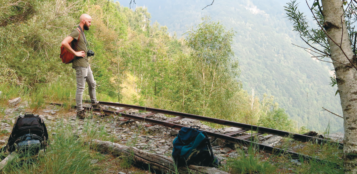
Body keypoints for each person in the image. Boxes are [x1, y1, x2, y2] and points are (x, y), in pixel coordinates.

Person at [61, 14, 101, 119]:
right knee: (81, 88)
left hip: (86, 64)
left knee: (92, 83)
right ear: (83, 21)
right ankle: (80, 111)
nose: (90, 24)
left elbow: (79, 47)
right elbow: (64, 43)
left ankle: (94, 103)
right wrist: (75, 53)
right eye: (89, 22)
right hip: (80, 65)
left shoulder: (82, 32)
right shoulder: (76, 31)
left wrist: (88, 52)